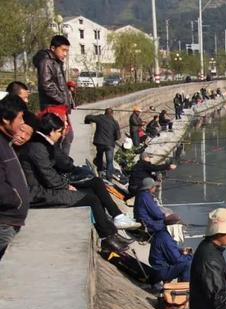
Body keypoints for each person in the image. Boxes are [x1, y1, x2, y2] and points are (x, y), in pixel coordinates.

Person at [17, 113, 136, 249]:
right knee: (91, 199)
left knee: (94, 186)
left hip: (44, 187)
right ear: (51, 132)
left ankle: (112, 231)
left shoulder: (41, 144)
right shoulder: (38, 147)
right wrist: (66, 185)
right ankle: (107, 238)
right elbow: (49, 175)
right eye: (60, 131)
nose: (61, 135)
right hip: (38, 194)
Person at [33, 35, 74, 154]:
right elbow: (47, 85)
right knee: (62, 137)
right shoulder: (47, 61)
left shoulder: (55, 62)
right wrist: (62, 99)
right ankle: (60, 166)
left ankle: (62, 163)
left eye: (67, 51)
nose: (65, 54)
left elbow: (55, 83)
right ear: (53, 48)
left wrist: (66, 88)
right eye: (63, 50)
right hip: (53, 108)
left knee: (66, 136)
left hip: (58, 107)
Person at [0, 100, 31, 260]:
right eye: (20, 118)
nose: (22, 123)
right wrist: (15, 200)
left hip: (11, 220)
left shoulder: (6, 142)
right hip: (4, 222)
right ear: (6, 118)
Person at [84, 108, 120, 180]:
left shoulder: (100, 118)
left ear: (105, 113)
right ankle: (109, 178)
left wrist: (87, 122)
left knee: (99, 157)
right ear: (112, 114)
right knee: (109, 161)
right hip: (109, 144)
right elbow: (118, 136)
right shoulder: (115, 122)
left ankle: (99, 173)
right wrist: (113, 139)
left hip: (100, 143)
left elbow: (88, 117)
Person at [59, 80, 77, 156]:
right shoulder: (67, 93)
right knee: (68, 137)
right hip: (64, 111)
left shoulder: (68, 92)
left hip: (65, 111)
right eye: (72, 87)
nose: (73, 88)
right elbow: (70, 101)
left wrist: (73, 106)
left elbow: (71, 101)